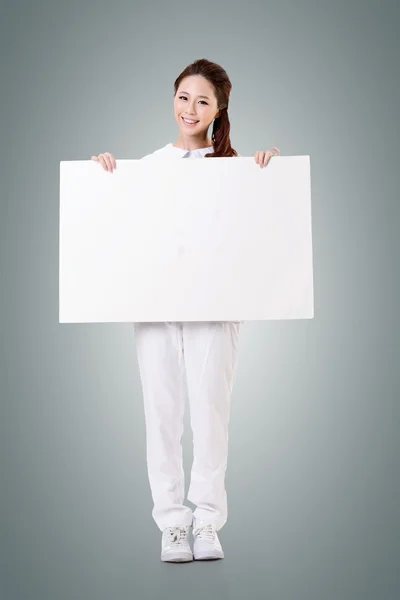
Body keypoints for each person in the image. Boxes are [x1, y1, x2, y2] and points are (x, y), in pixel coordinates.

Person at [91, 58, 280, 563]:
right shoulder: (148, 167)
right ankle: (172, 523)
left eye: (202, 101)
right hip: (156, 303)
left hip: (215, 305)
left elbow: (258, 225)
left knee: (210, 411)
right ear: (172, 99)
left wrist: (269, 175)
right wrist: (105, 179)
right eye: (183, 97)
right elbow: (124, 230)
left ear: (218, 110)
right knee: (162, 411)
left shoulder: (235, 168)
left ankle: (207, 520)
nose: (190, 108)